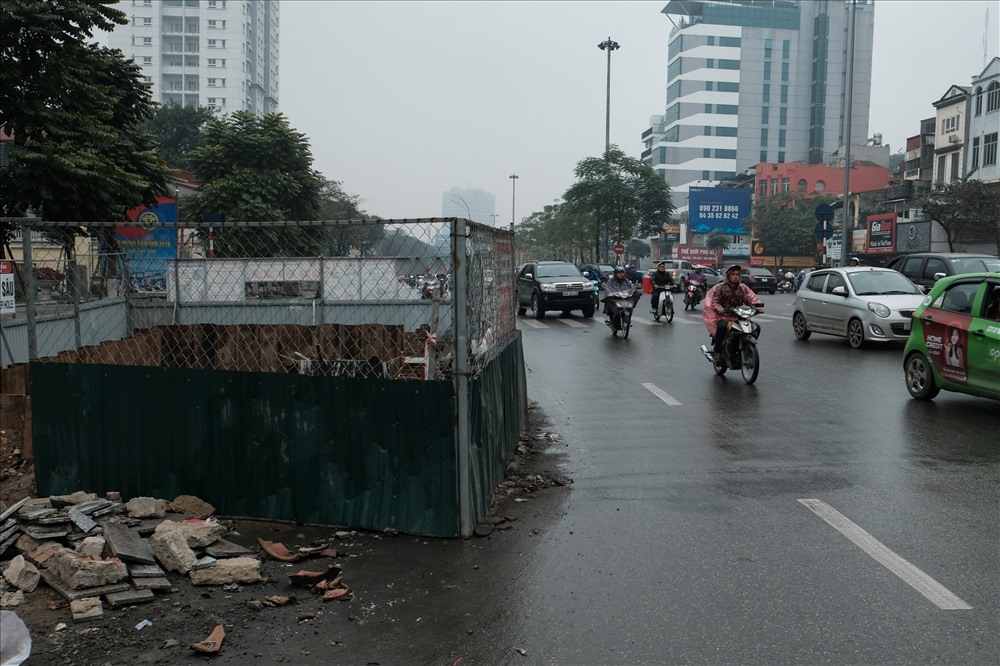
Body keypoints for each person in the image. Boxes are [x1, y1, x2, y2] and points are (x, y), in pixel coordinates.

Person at [702, 265, 764, 357]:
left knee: (756, 327)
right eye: (733, 274)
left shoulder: (743, 288)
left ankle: (747, 348)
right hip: (723, 316)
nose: (735, 276)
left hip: (739, 316)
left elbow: (751, 298)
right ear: (728, 275)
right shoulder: (720, 287)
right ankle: (717, 351)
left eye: (737, 274)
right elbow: (715, 301)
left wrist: (757, 306)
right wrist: (719, 308)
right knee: (722, 326)